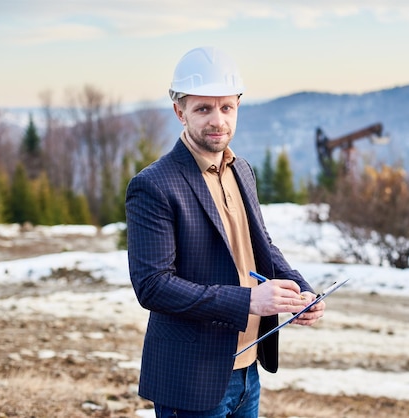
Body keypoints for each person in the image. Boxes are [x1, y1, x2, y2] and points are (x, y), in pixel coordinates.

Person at [125, 46, 325, 418]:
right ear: (179, 112)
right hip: (192, 379)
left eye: (226, 107)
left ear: (237, 107)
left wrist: (301, 290)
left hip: (247, 369)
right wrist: (249, 301)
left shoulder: (242, 170)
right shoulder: (153, 185)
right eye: (203, 108)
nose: (218, 120)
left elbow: (260, 245)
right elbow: (152, 285)